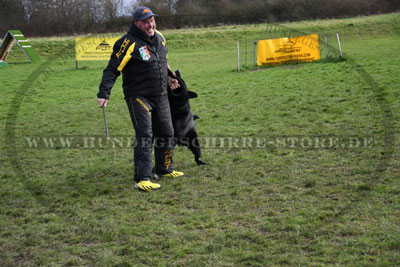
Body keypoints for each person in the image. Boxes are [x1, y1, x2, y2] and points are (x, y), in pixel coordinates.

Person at [97, 6, 184, 192]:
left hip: (161, 95)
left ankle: (164, 168)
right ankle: (142, 178)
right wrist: (104, 93)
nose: (150, 24)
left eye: (152, 20)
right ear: (136, 23)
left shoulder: (160, 37)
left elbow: (162, 61)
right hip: (138, 96)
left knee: (167, 133)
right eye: (145, 22)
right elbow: (113, 69)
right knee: (145, 135)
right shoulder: (127, 42)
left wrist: (170, 78)